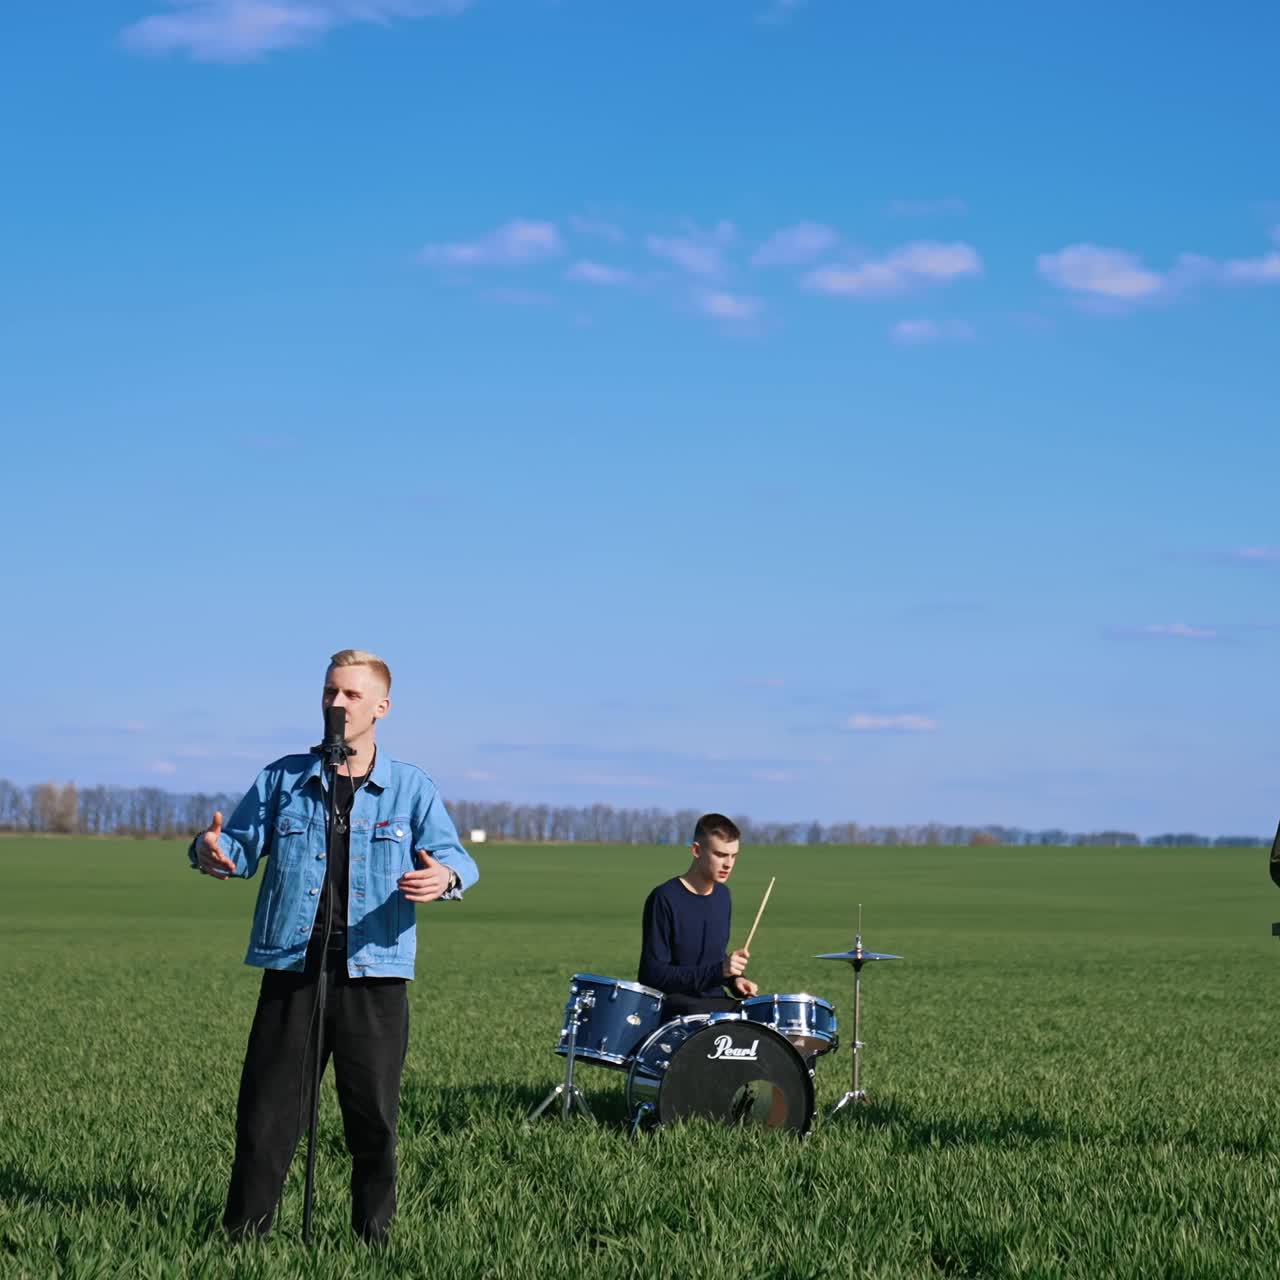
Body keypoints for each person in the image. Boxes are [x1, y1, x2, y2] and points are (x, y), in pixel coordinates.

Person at [189, 649, 478, 1244]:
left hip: (375, 973)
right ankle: (243, 1239)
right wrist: (207, 850)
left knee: (373, 1118)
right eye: (329, 692)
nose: (337, 703)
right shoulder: (283, 779)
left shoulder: (410, 786)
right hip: (294, 967)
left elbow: (457, 858)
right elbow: (235, 848)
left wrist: (444, 877)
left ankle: (373, 1241)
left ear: (381, 707)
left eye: (350, 694)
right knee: (267, 1115)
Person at [638, 812, 758, 1018]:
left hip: (716, 1003)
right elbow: (652, 975)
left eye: (734, 856)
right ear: (696, 850)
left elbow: (713, 959)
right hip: (677, 1009)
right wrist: (720, 971)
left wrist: (735, 979)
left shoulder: (723, 895)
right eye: (720, 855)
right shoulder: (664, 898)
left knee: (762, 1015)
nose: (728, 864)